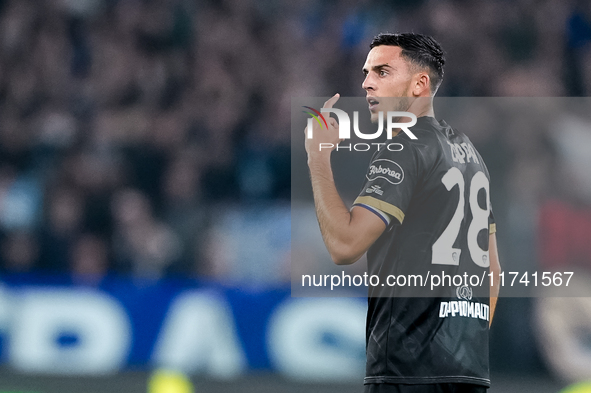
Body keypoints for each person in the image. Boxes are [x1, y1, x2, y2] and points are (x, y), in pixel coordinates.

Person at [304, 33, 502, 393]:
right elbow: (493, 271)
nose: (366, 83)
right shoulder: (472, 156)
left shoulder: (404, 147)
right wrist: (460, 339)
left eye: (382, 72)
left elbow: (345, 246)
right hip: (468, 374)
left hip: (406, 372)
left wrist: (318, 157)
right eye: (366, 73)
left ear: (419, 84)